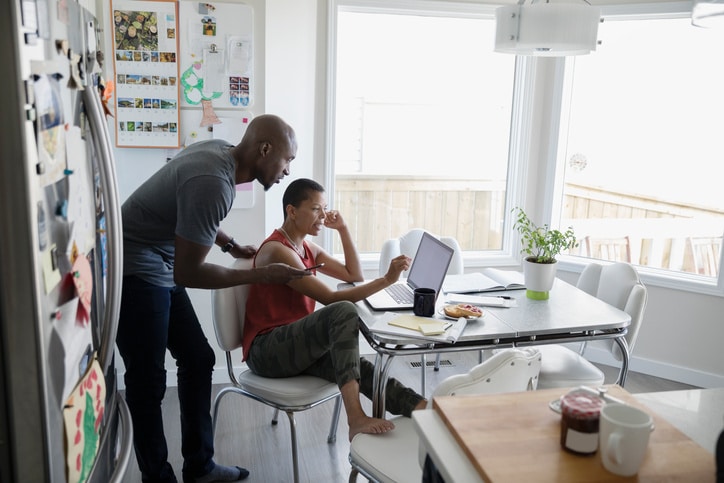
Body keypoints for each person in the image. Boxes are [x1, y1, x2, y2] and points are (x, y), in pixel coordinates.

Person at [117, 114, 312, 483]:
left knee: (198, 358)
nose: (287, 171)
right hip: (133, 264)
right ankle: (157, 477)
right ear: (265, 149)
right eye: (287, 160)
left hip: (160, 257)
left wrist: (230, 244)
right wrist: (261, 275)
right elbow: (188, 274)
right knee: (148, 381)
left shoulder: (220, 154)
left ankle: (200, 468)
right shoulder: (215, 182)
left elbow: (189, 209)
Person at [241, 178, 426, 441]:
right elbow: (330, 298)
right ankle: (356, 418)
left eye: (325, 208)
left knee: (359, 366)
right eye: (316, 209)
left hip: (294, 346)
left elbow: (354, 274)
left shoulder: (304, 247)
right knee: (343, 311)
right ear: (292, 211)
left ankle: (422, 408)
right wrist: (386, 280)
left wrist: (343, 229)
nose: (323, 215)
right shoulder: (277, 250)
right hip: (266, 350)